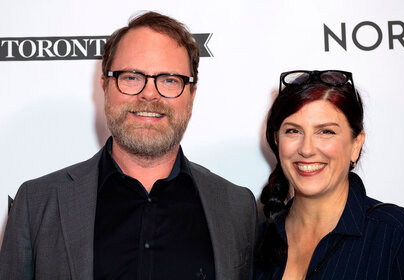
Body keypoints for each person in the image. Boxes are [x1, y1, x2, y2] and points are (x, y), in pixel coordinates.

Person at [0, 11, 257, 280]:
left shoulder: (237, 207)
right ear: (105, 85)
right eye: (132, 77)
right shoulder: (37, 203)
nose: (149, 93)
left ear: (192, 93)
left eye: (170, 80)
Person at [255, 70, 404, 279]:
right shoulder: (256, 240)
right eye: (293, 131)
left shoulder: (397, 234)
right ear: (277, 141)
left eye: (326, 131)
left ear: (356, 144)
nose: (307, 149)